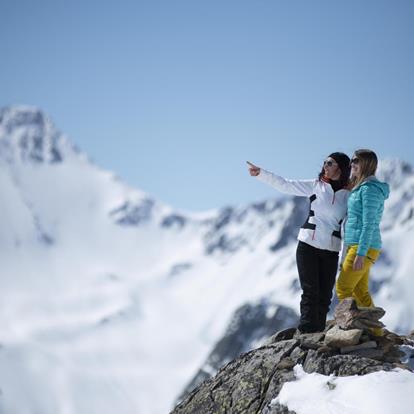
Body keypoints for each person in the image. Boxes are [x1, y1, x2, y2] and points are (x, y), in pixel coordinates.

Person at [247, 153, 351, 333]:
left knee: (325, 297)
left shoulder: (349, 196)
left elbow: (349, 228)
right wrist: (261, 174)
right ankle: (306, 333)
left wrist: (345, 257)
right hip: (307, 247)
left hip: (331, 250)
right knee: (310, 292)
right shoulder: (316, 186)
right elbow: (286, 185)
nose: (325, 165)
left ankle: (317, 332)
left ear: (340, 168)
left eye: (330, 163)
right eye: (325, 162)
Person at [336, 149, 390, 335]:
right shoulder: (360, 187)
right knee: (360, 291)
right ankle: (376, 334)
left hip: (363, 247)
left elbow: (368, 224)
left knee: (343, 287)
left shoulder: (369, 190)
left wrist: (360, 253)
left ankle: (353, 330)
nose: (352, 165)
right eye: (352, 161)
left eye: (356, 161)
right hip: (356, 245)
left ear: (366, 164)